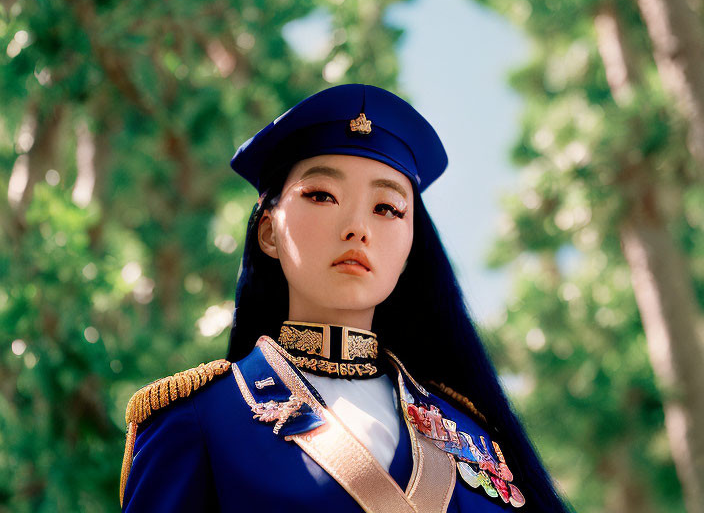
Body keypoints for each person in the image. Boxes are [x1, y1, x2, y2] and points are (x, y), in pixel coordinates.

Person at [119, 83, 572, 512]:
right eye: (321, 195)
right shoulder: (202, 420)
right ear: (268, 231)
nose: (357, 227)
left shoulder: (470, 435)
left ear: (412, 246)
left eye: (388, 208)